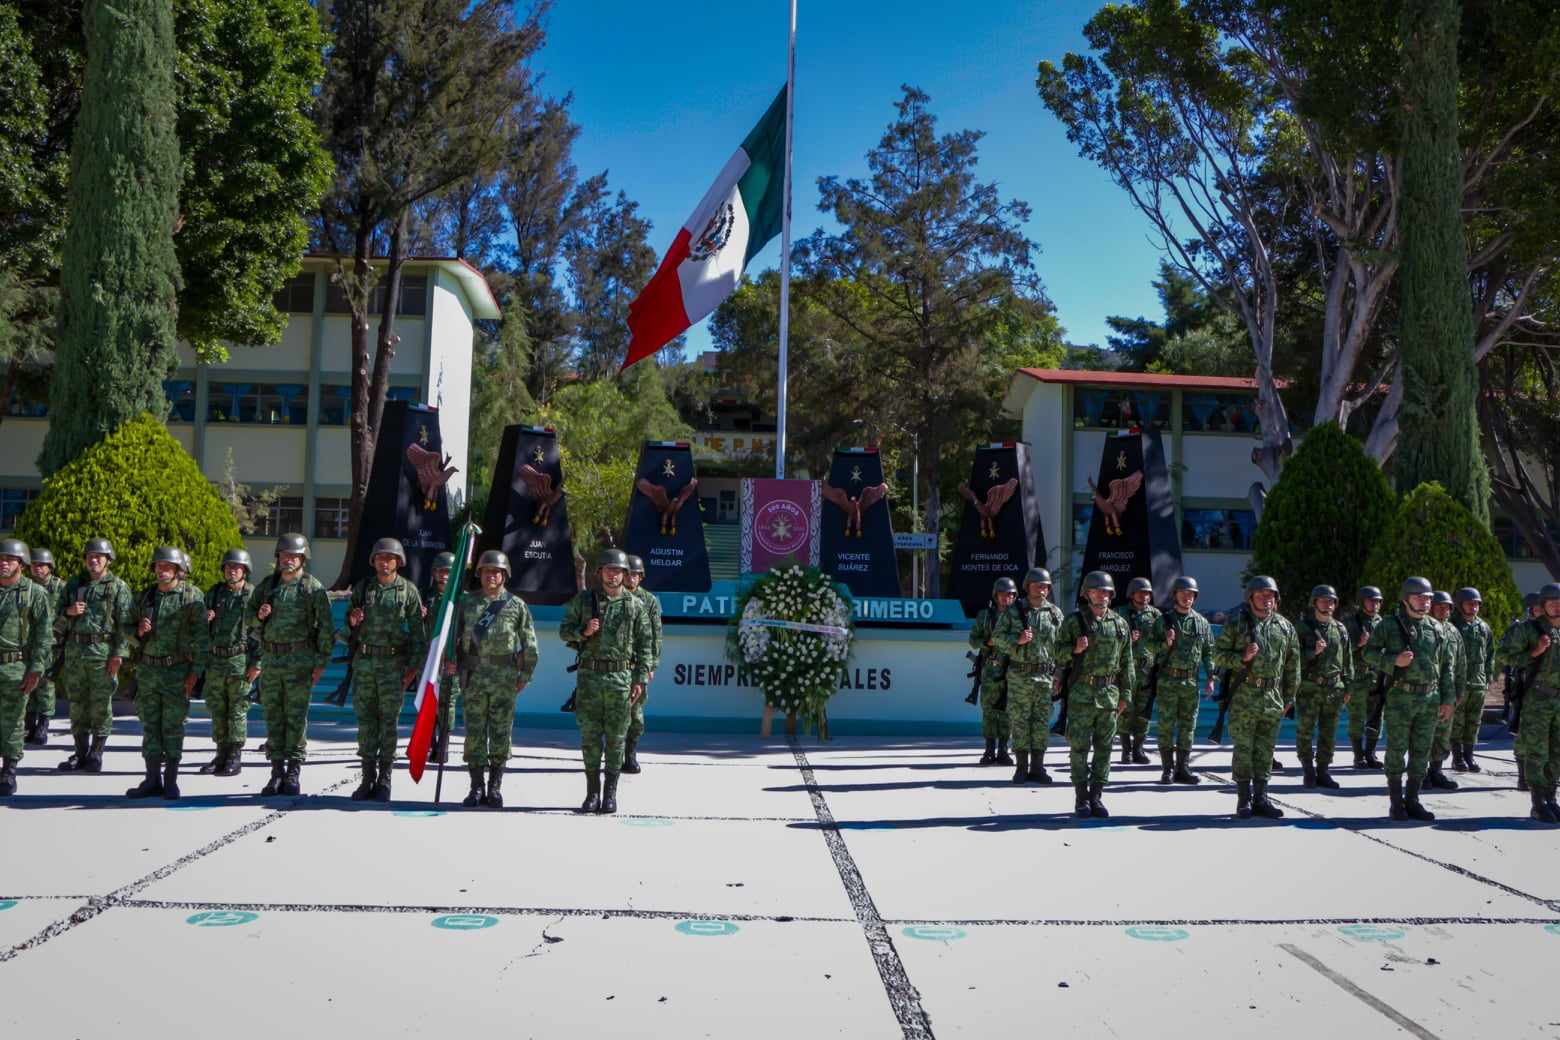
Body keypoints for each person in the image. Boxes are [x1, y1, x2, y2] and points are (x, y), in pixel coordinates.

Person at [559, 549, 651, 814]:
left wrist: (640, 680)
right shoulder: (584, 601)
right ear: (600, 573)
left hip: (620, 679)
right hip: (589, 678)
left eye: (618, 570)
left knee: (616, 738)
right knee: (589, 738)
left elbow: (645, 645)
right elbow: (564, 631)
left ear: (625, 574)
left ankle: (610, 794)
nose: (614, 574)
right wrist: (583, 632)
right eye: (609, 569)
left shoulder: (634, 606)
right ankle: (591, 793)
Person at [448, 551, 538, 809]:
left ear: (504, 575)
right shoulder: (467, 602)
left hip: (504, 679)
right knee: (475, 732)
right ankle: (476, 788)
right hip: (474, 677)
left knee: (500, 732)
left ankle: (495, 788)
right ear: (480, 574)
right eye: (487, 571)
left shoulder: (516, 605)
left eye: (496, 572)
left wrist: (525, 675)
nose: (491, 576)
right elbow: (454, 636)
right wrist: (450, 659)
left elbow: (530, 644)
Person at [1363, 577, 1457, 822]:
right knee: (1396, 750)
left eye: (1428, 598)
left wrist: (1448, 699)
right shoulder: (1389, 625)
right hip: (1400, 698)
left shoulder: (1436, 627)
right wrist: (1393, 661)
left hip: (1430, 698)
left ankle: (1413, 801)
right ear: (1406, 600)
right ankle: (1396, 804)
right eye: (1419, 598)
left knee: (1422, 751)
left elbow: (1446, 666)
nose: (1425, 603)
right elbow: (1368, 653)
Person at [246, 533, 333, 797]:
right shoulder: (267, 586)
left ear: (303, 558)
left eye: (293, 556)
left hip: (299, 662)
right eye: (284, 555)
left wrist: (320, 664)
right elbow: (248, 618)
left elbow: (326, 629)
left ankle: (293, 772)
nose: (288, 560)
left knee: (295, 718)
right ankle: (276, 772)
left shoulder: (312, 588)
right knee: (273, 716)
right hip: (272, 660)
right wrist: (259, 617)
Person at [340, 538, 424, 802]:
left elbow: (418, 635)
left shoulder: (408, 591)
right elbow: (346, 629)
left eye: (390, 558)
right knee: (366, 723)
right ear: (374, 561)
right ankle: (367, 778)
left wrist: (413, 669)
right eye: (380, 558)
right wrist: (352, 622)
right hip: (365, 664)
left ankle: (385, 779)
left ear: (398, 562)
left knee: (388, 723)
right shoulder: (364, 588)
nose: (384, 562)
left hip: (393, 666)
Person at [1212, 576, 1301, 819]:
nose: (1266, 598)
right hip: (1244, 695)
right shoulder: (1238, 623)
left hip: (1273, 696)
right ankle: (1243, 800)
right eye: (1260, 594)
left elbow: (1293, 664)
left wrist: (1289, 696)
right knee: (1244, 748)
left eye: (1270, 594)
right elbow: (1217, 654)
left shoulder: (1285, 627)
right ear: (1250, 597)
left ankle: (1261, 798)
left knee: (1265, 749)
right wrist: (1241, 657)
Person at [124, 547, 209, 800]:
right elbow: (125, 627)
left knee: (173, 726)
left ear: (178, 570)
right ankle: (152, 780)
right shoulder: (145, 597)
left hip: (177, 672)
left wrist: (195, 672)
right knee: (150, 726)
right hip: (149, 670)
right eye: (159, 566)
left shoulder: (191, 597)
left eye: (168, 566)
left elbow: (202, 639)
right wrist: (137, 630)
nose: (162, 570)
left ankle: (171, 781)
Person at [1052, 571, 1134, 818]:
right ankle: (1081, 797)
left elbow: (1127, 661)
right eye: (1097, 590)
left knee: (1104, 748)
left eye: (1106, 591)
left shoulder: (1120, 624)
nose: (1102, 595)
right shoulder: (1074, 622)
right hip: (1081, 693)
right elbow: (1057, 654)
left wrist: (1126, 694)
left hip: (1109, 694)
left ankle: (1097, 796)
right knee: (1079, 747)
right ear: (1087, 594)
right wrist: (1074, 649)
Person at [55, 538, 133, 774]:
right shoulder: (74, 586)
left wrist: (118, 655)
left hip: (103, 654)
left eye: (99, 556)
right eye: (90, 556)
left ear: (108, 560)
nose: (94, 560)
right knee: (77, 704)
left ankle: (96, 753)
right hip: (76, 654)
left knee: (101, 705)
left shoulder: (118, 587)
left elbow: (125, 625)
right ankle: (80, 753)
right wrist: (68, 613)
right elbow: (55, 621)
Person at [991, 567, 1063, 784]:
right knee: (1020, 722)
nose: (1042, 590)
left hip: (1044, 677)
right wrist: (1017, 641)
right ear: (1027, 587)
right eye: (1037, 585)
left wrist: (1059, 674)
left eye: (1045, 586)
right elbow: (996, 638)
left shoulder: (1055, 613)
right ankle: (1021, 768)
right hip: (1020, 676)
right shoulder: (1014, 611)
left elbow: (1061, 646)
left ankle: (1038, 767)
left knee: (1041, 722)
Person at [1498, 583, 1560, 822]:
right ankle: (1538, 803)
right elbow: (1504, 654)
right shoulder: (1528, 629)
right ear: (1542, 606)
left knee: (1556, 753)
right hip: (1538, 700)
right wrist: (1533, 653)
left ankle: (1551, 798)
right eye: (1551, 602)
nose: (1556, 606)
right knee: (1537, 753)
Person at [1148, 575, 1214, 785]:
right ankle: (1167, 769)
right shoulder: (1163, 621)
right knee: (1166, 726)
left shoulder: (1202, 623)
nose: (1187, 598)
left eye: (1191, 594)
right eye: (1183, 593)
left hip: (1190, 682)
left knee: (1188, 726)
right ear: (1175, 595)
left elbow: (1209, 652)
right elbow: (1148, 650)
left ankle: (1183, 768)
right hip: (1168, 680)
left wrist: (1211, 677)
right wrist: (1165, 644)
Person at [199, 549, 257, 778]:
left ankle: (234, 756)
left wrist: (258, 662)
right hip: (216, 660)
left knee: (237, 709)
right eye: (228, 567)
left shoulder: (252, 595)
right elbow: (199, 625)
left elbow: (261, 630)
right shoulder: (215, 593)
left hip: (239, 659)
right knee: (217, 708)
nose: (232, 571)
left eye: (237, 567)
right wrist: (205, 619)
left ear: (245, 571)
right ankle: (220, 754)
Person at [0, 539, 52, 796]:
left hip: (15, 667)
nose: (3, 563)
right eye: (1, 559)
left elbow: (44, 634)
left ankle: (8, 771)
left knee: (12, 722)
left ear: (21, 563)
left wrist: (36, 669)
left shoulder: (34, 593)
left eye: (9, 559)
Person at [1294, 585, 1353, 790]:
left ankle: (1323, 770)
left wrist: (1348, 686)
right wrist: (1313, 652)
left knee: (1329, 732)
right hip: (1309, 688)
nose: (1328, 605)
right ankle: (1308, 769)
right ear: (1315, 603)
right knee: (1305, 731)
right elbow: (1292, 660)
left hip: (1334, 689)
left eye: (1331, 601)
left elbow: (1348, 660)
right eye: (1323, 601)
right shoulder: (1302, 628)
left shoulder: (1340, 629)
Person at [968, 578, 1016, 767]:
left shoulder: (1019, 616)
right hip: (989, 669)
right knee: (989, 710)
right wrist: (987, 643)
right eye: (1003, 594)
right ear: (996, 596)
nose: (1007, 598)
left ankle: (1003, 750)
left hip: (1012, 669)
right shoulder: (985, 616)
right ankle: (989, 749)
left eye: (1011, 595)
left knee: (1007, 710)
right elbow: (973, 640)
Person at [622, 555, 661, 774]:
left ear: (641, 577)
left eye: (635, 574)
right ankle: (612, 755)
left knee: (635, 714)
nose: (631, 578)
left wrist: (651, 666)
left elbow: (656, 636)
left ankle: (630, 754)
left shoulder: (649, 601)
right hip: (615, 664)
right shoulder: (612, 597)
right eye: (627, 573)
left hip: (639, 665)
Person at [23, 547, 66, 747]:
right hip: (27, 643)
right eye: (34, 565)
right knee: (28, 681)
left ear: (50, 567)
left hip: (52, 643)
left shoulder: (60, 588)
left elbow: (70, 614)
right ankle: (29, 724)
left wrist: (54, 631)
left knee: (46, 683)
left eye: (42, 565)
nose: (37, 569)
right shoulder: (26, 587)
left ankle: (44, 724)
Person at [1448, 588, 1494, 774]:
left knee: (1474, 721)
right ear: (1460, 605)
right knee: (1457, 721)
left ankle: (1469, 755)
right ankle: (1457, 758)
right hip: (1460, 683)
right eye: (1469, 603)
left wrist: (1488, 675)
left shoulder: (1483, 627)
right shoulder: (1453, 626)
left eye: (1476, 604)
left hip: (1478, 683)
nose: (1474, 607)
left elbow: (1490, 653)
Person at [1116, 576, 1159, 766]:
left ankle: (1138, 749)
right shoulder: (1120, 614)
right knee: (1126, 710)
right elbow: (1110, 642)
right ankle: (1125, 750)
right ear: (1132, 594)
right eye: (1141, 592)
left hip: (1147, 671)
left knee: (1143, 711)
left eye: (1148, 593)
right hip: (1126, 669)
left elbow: (1161, 643)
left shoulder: (1156, 616)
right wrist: (1128, 640)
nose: (1145, 596)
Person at [1424, 591, 1465, 791]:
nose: (1444, 610)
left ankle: (1436, 771)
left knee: (1443, 734)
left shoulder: (1454, 632)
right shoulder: (1425, 628)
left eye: (1447, 607)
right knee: (1424, 734)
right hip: (1426, 692)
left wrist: (1459, 691)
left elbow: (1461, 664)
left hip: (1447, 692)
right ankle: (1420, 773)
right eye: (1439, 606)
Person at [421, 551, 459, 764]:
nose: (443, 576)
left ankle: (443, 745)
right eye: (440, 571)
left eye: (448, 572)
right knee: (429, 700)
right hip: (429, 659)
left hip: (450, 659)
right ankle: (431, 744)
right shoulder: (426, 595)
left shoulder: (461, 598)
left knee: (447, 703)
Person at [1345, 586, 1386, 769]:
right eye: (1371, 600)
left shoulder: (1383, 623)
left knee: (1376, 716)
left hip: (1378, 676)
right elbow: (1341, 651)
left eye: (1377, 601)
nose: (1374, 604)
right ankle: (1358, 755)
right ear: (1362, 602)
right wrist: (1358, 644)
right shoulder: (1351, 622)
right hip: (1358, 677)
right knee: (1357, 717)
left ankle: (1371, 753)